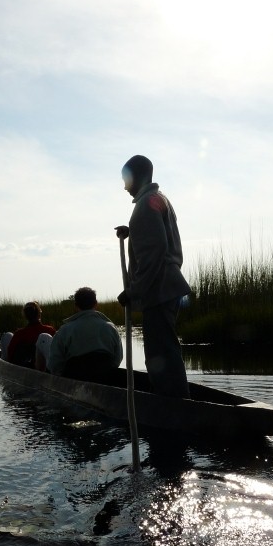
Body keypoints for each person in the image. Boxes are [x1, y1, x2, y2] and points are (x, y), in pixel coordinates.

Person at [115, 154, 191, 398]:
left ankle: (174, 403)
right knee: (165, 350)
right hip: (168, 286)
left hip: (159, 290)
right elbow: (157, 237)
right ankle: (172, 397)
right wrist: (132, 231)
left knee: (161, 354)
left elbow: (154, 253)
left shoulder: (146, 205)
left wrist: (133, 291)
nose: (125, 186)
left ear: (138, 177)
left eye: (126, 180)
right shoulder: (157, 199)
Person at [42, 287, 123, 380]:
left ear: (76, 305)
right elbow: (117, 359)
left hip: (74, 379)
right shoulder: (111, 328)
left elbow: (54, 364)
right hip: (105, 378)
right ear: (96, 303)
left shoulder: (65, 330)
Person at [0, 302, 55, 368]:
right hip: (42, 367)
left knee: (7, 335)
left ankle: (4, 367)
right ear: (39, 314)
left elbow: (10, 355)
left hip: (23, 367)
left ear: (25, 316)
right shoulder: (49, 330)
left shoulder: (19, 334)